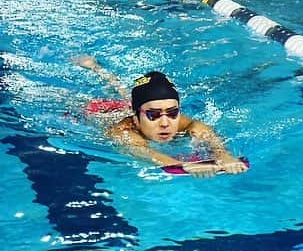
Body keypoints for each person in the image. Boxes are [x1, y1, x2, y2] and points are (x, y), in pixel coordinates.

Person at [74, 55, 248, 177]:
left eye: (173, 113)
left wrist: (224, 155)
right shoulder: (123, 132)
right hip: (100, 111)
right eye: (154, 115)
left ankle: (97, 68)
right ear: (136, 118)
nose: (165, 123)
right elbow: (145, 152)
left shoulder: (184, 124)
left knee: (128, 96)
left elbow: (207, 135)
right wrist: (183, 165)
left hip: (136, 106)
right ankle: (95, 68)